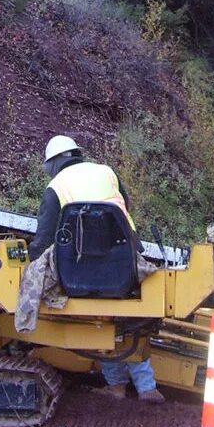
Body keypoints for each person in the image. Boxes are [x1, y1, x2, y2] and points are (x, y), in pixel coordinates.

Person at [29, 134, 165, 404]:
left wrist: (31, 264)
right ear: (76, 154)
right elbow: (122, 208)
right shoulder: (107, 172)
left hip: (83, 276)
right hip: (125, 266)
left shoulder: (55, 187)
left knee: (97, 325)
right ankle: (147, 388)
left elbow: (44, 238)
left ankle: (116, 387)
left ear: (54, 164)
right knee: (131, 325)